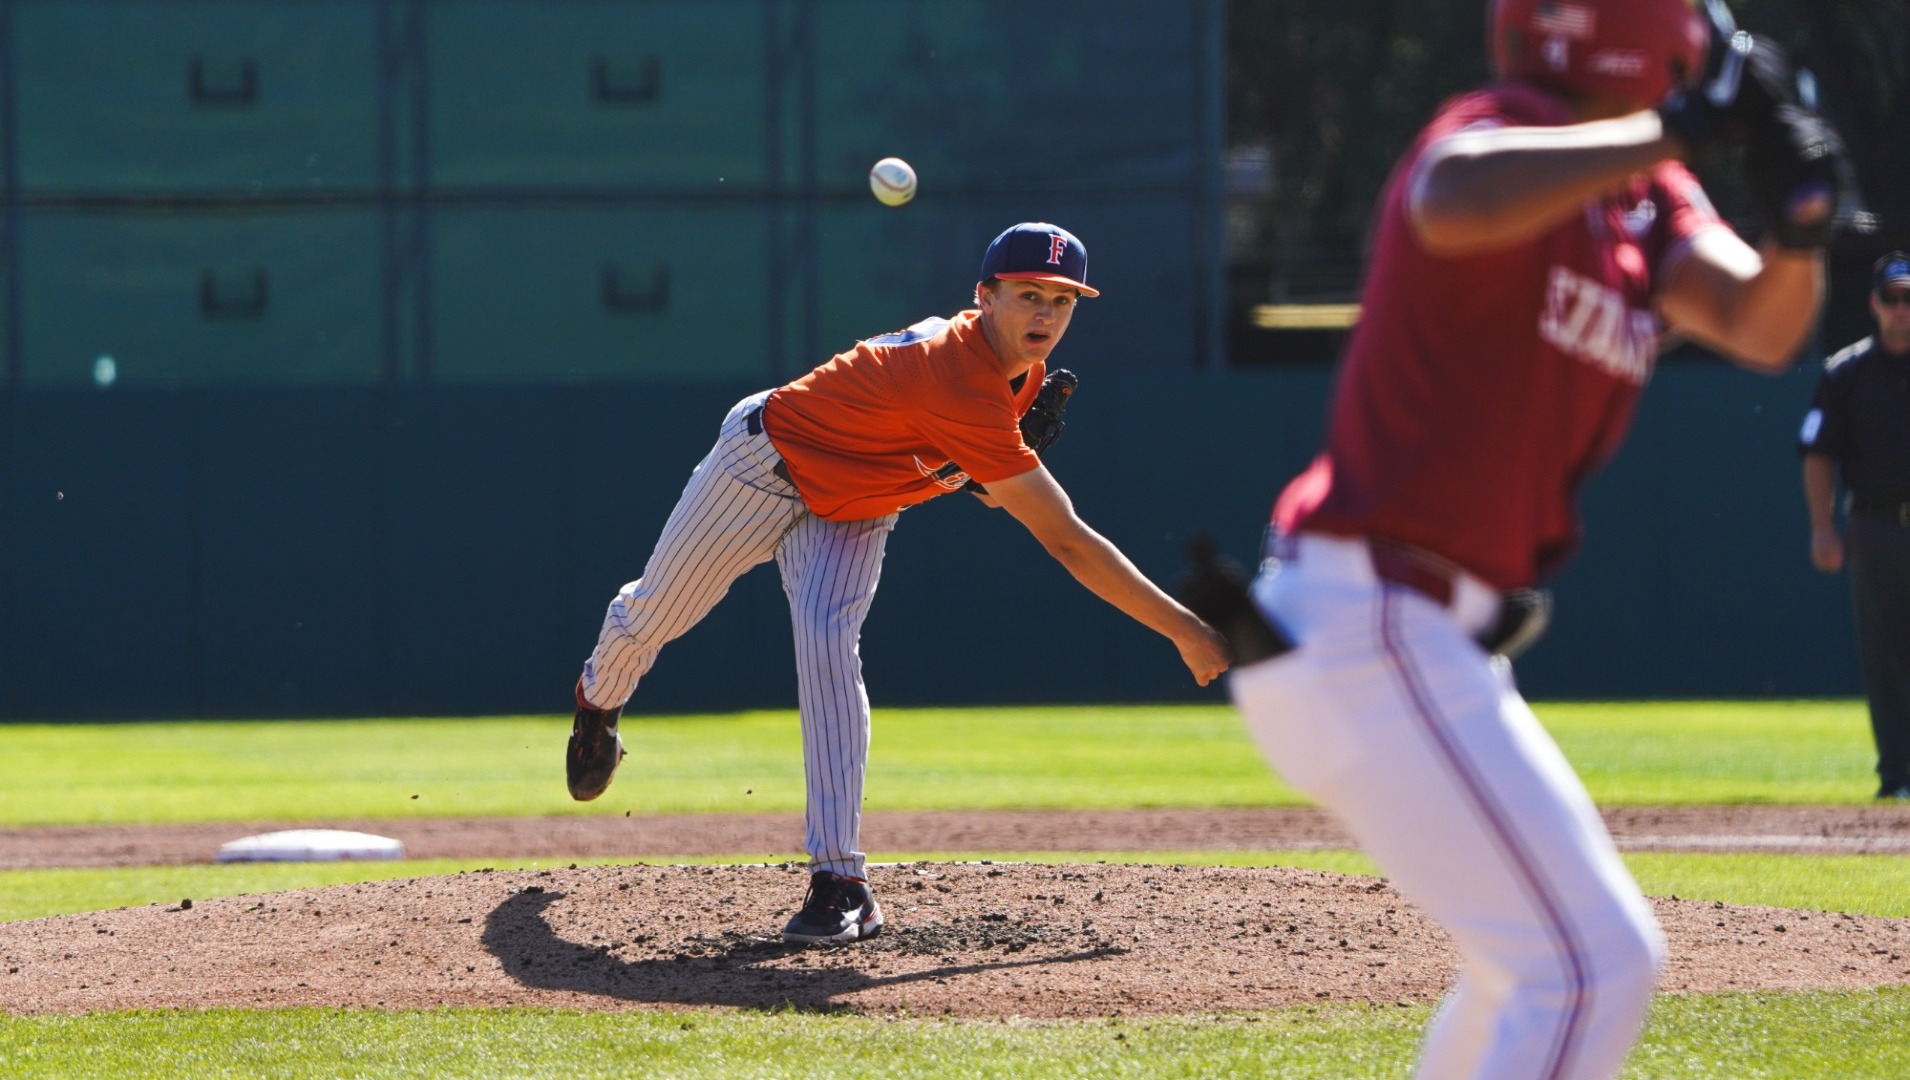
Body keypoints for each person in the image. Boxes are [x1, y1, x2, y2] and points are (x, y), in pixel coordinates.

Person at [1211, 1, 1860, 1077]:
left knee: (1535, 970)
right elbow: (1449, 193)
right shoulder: (1500, 124)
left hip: (1419, 637)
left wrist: (1796, 232)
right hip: (1371, 614)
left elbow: (1761, 324)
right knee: (1590, 965)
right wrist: (1678, 128)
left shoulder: (1649, 193)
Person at [565, 222, 1230, 944]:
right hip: (764, 465)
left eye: (1063, 301)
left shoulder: (1018, 378)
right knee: (653, 616)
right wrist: (1186, 628)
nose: (1045, 314)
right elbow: (1067, 541)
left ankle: (839, 879)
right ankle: (597, 704)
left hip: (858, 507)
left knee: (827, 646)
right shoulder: (957, 375)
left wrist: (979, 469)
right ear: (984, 296)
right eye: (1028, 295)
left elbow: (956, 468)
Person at [1798, 251, 1910, 801]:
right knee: (1886, 654)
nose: (1901, 309)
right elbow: (1817, 451)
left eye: (1909, 298)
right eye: (1892, 298)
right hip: (1876, 527)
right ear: (1874, 303)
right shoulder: (1847, 372)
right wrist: (1823, 527)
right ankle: (1896, 778)